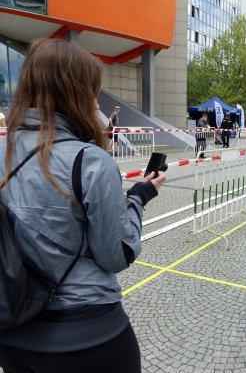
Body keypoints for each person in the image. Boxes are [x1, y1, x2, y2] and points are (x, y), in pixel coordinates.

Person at [0, 38, 166, 373]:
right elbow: (115, 254)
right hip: (87, 334)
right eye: (93, 90)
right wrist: (139, 196)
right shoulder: (89, 161)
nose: (95, 100)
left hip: (12, 331)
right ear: (75, 92)